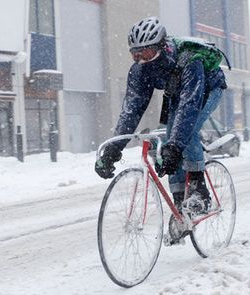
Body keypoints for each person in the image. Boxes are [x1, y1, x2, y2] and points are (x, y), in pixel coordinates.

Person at [94, 17, 228, 241]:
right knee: (168, 140)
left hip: (207, 87)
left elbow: (189, 107)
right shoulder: (139, 71)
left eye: (145, 53)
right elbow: (131, 111)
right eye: (135, 54)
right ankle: (180, 209)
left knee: (187, 131)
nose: (141, 60)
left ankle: (198, 190)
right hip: (178, 91)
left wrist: (176, 146)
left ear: (161, 48)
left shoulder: (188, 61)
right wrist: (113, 149)